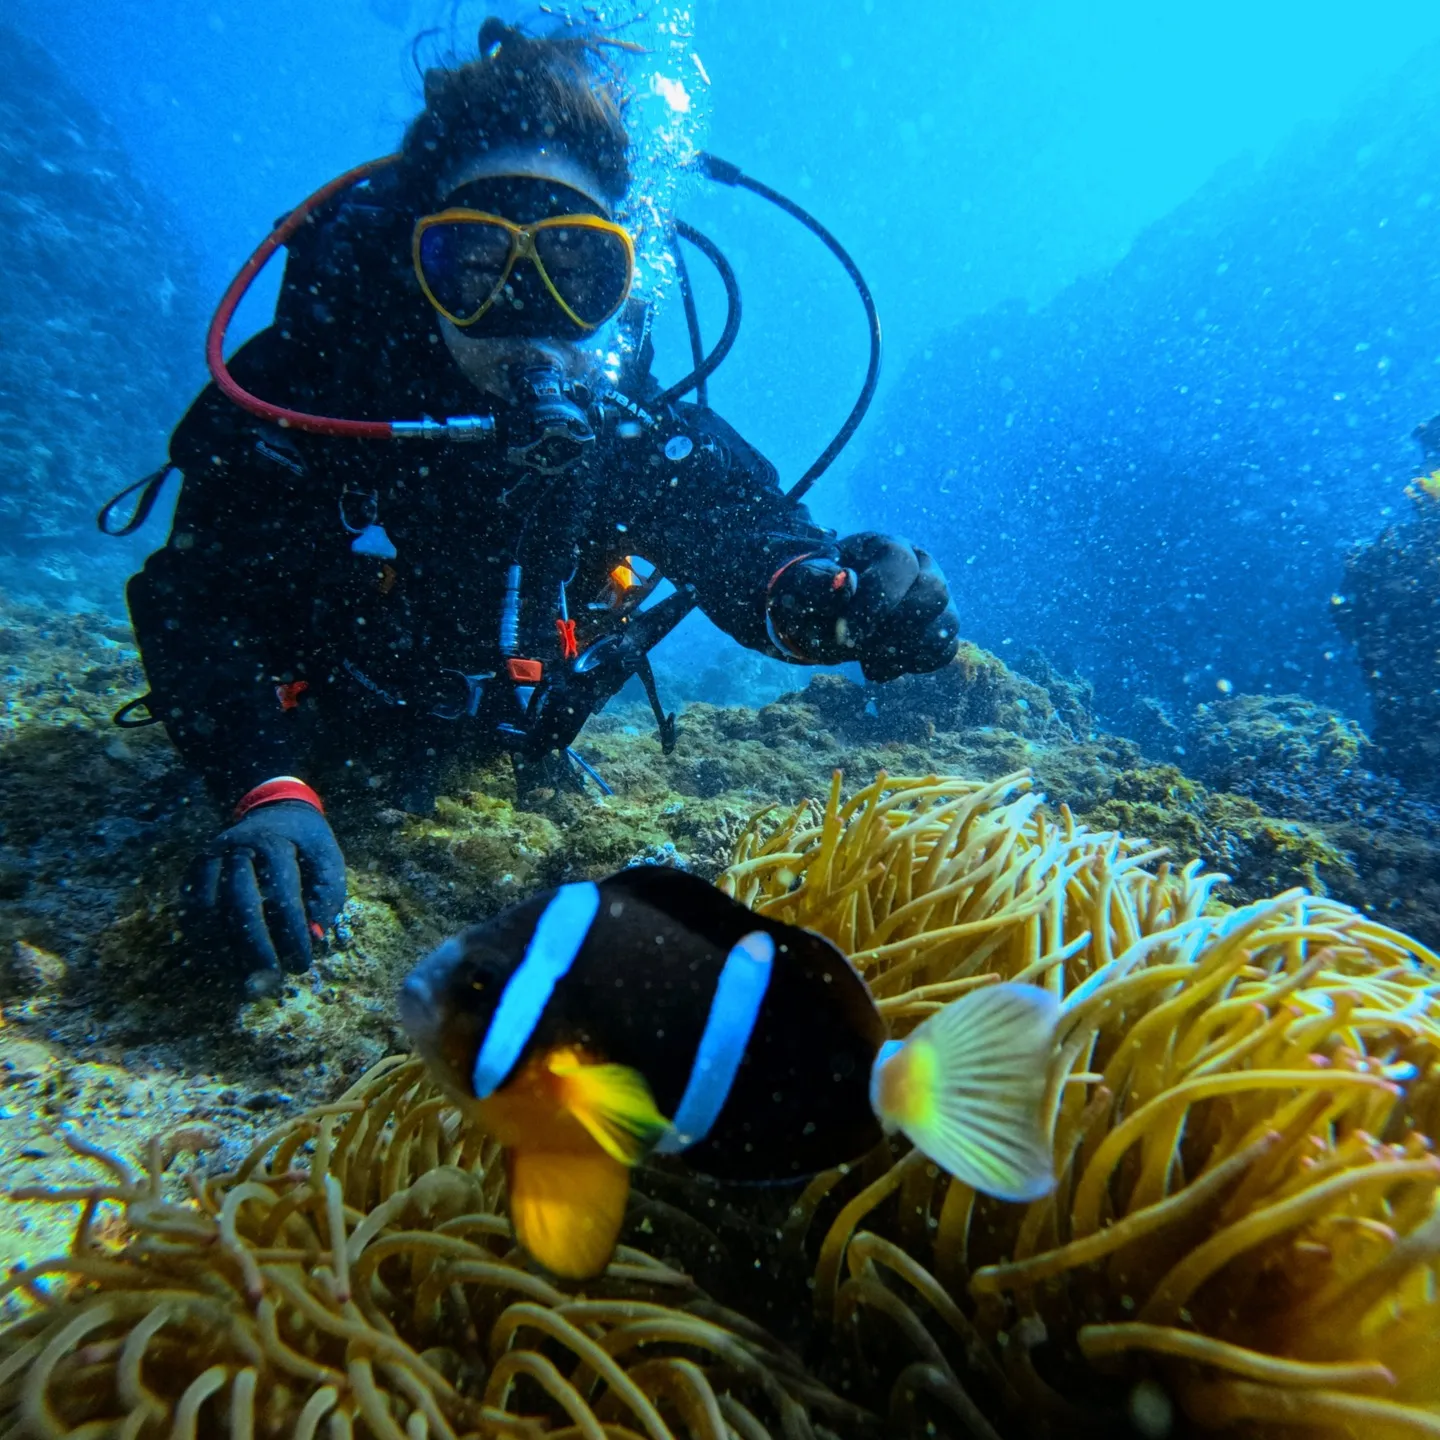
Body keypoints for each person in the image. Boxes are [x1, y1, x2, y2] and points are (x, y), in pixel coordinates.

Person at [125, 19, 960, 992]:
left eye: (576, 272)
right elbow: (195, 600)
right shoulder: (310, 396)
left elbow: (743, 540)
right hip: (323, 721)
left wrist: (838, 597)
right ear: (414, 266)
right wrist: (263, 788)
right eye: (474, 266)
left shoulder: (630, 430)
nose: (526, 319)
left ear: (626, 275)